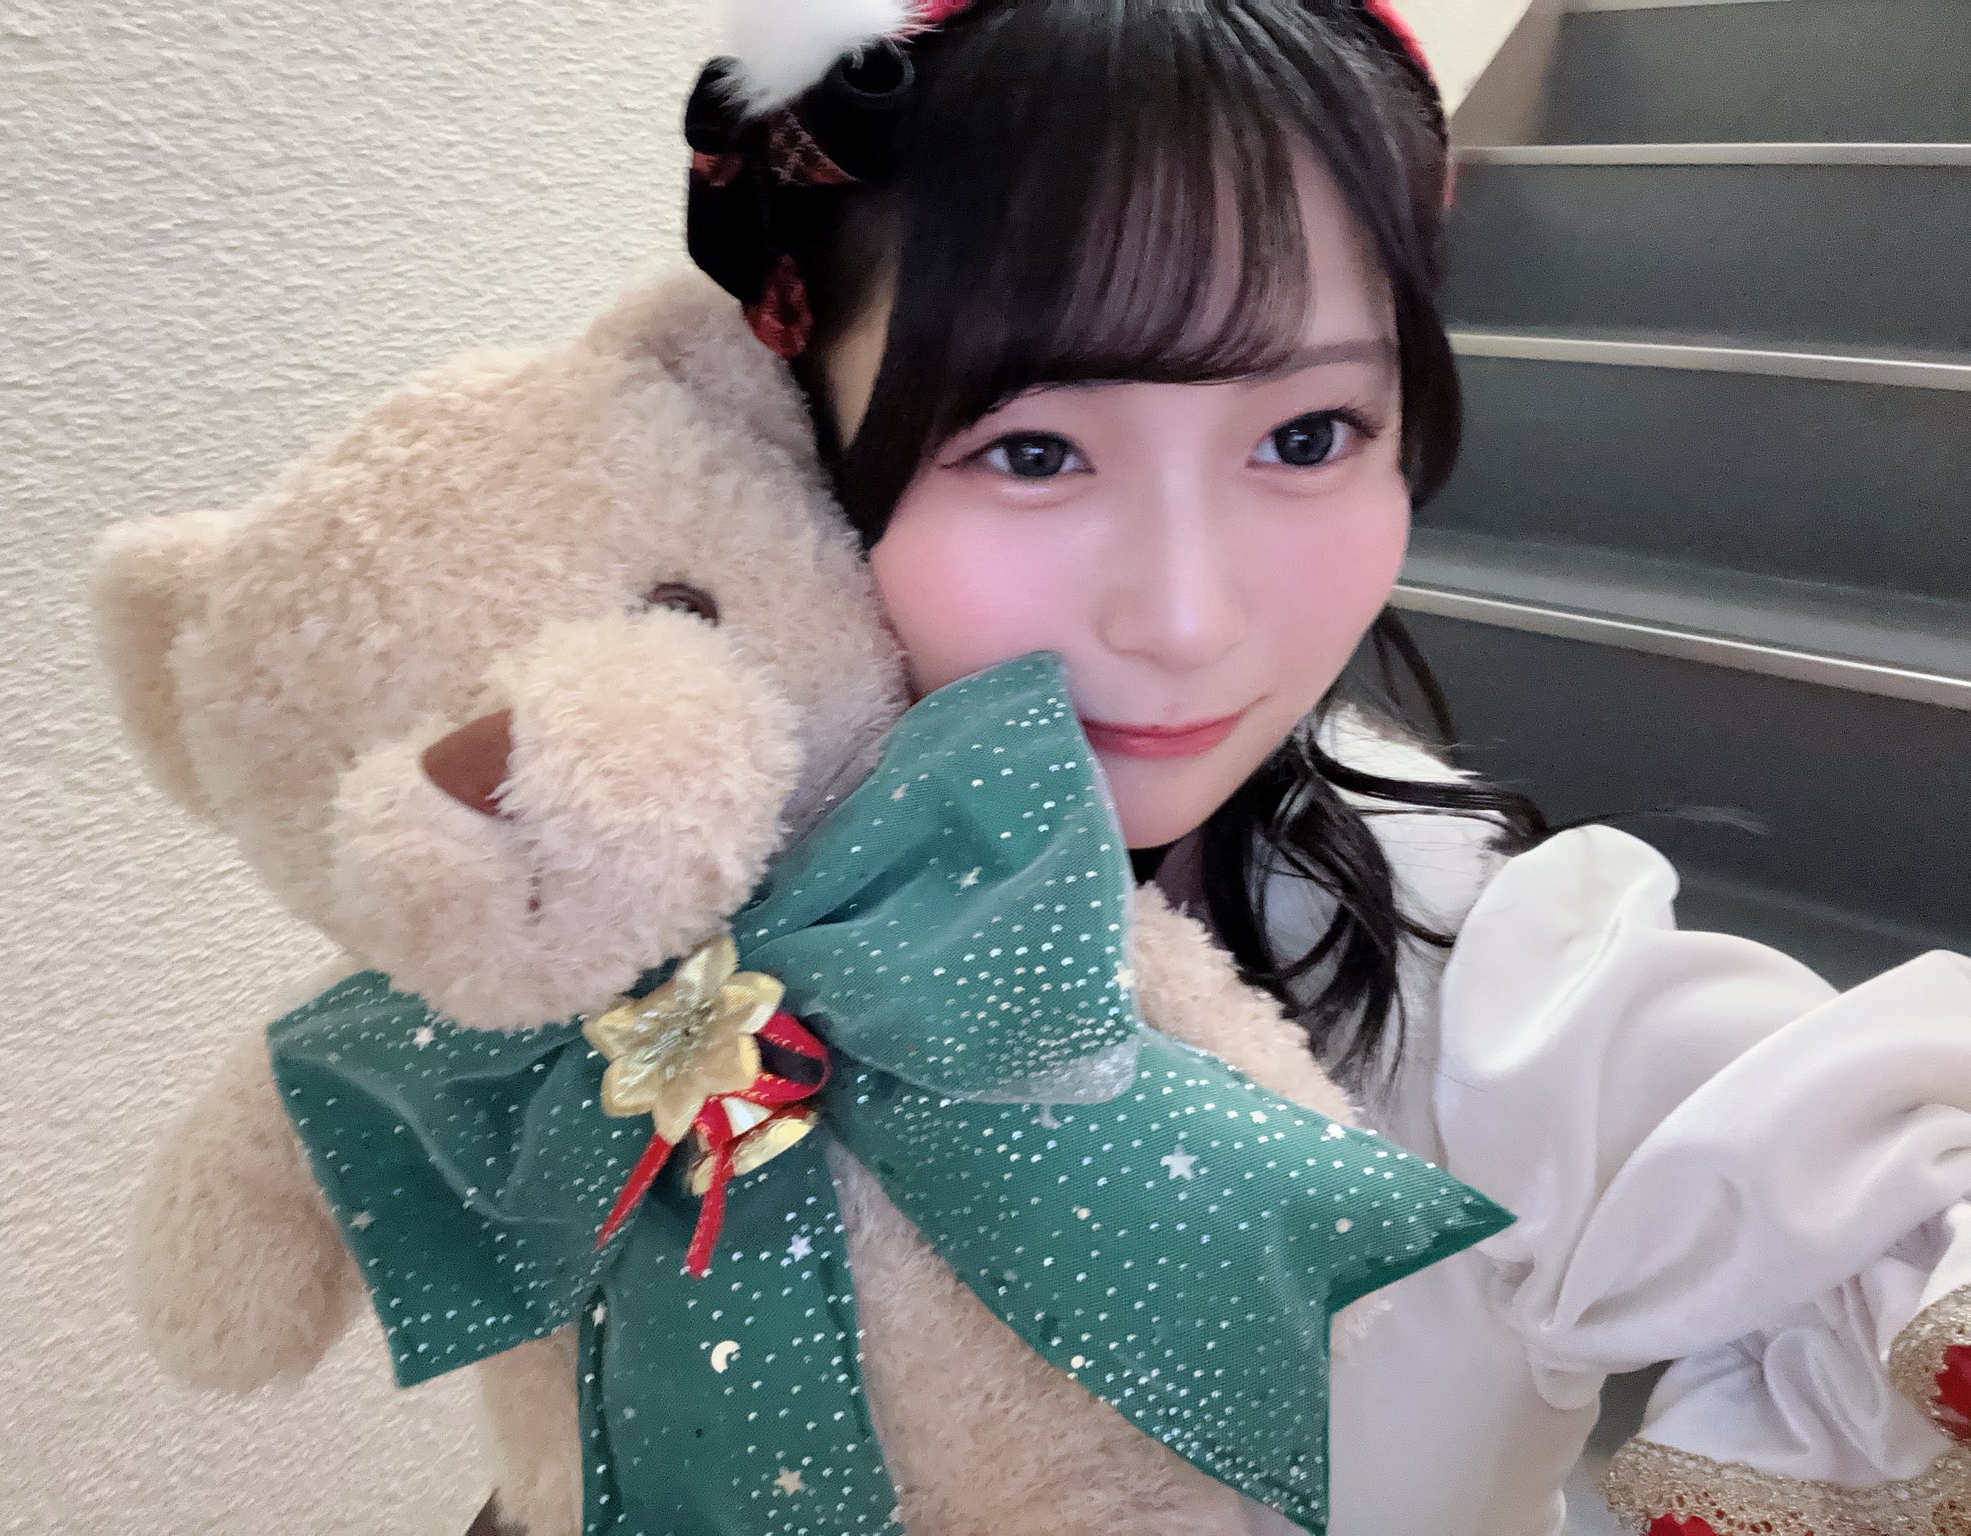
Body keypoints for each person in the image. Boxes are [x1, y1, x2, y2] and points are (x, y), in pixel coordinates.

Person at [680, 2, 1971, 1533]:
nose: (1186, 621)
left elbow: (1875, 1170)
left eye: (1305, 436)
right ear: (803, 435)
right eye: (1031, 449)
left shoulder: (1491, 1001)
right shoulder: (676, 879)